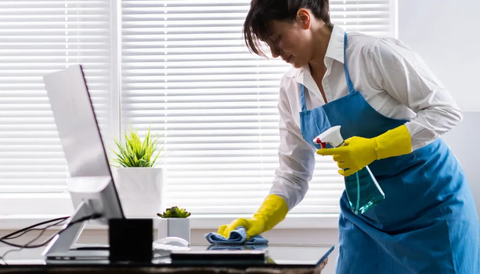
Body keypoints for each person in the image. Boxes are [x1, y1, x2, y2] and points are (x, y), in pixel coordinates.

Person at [216, 0, 480, 273]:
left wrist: (375, 148)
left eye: (277, 39)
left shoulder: (372, 54)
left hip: (432, 208)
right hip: (368, 218)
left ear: (304, 19)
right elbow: (293, 174)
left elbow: (445, 111)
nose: (273, 53)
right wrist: (261, 220)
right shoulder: (291, 90)